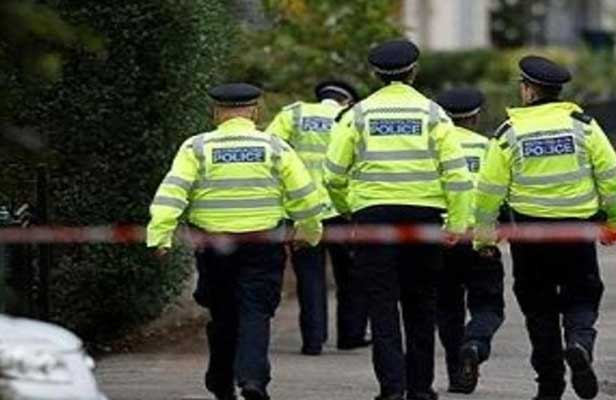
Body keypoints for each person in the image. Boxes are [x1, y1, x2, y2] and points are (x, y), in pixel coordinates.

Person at [146, 83, 326, 400]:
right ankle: (253, 380)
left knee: (222, 313)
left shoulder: (196, 147)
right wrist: (308, 232)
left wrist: (160, 234)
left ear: (217, 112)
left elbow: (173, 191)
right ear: (254, 111)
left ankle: (220, 380)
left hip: (214, 246)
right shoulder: (276, 147)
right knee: (256, 311)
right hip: (262, 244)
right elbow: (305, 196)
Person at [324, 39, 473, 400]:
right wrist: (457, 222)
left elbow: (332, 175)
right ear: (414, 71)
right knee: (421, 305)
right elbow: (457, 175)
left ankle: (391, 389)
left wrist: (349, 211)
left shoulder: (357, 115)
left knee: (382, 305)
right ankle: (420, 389)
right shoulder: (434, 114)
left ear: (375, 74)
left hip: (373, 219)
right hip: (424, 220)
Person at [474, 55, 616, 400]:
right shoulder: (583, 127)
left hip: (529, 236)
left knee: (539, 310)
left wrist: (483, 238)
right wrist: (614, 223)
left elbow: (488, 192)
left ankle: (549, 386)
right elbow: (613, 179)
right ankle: (579, 342)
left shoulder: (509, 133)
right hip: (577, 232)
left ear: (529, 90)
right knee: (582, 295)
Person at [266, 80, 370, 355]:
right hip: (341, 209)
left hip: (302, 209)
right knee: (351, 274)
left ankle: (313, 341)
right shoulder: (351, 119)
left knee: (310, 276)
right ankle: (351, 335)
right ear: (347, 101)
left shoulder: (294, 113)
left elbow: (269, 150)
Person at [434, 87, 505, 394]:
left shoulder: (431, 148)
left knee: (447, 309)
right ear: (475, 118)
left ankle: (457, 375)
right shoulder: (489, 148)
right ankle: (475, 343)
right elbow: (501, 192)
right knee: (488, 305)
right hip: (480, 240)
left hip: (440, 239)